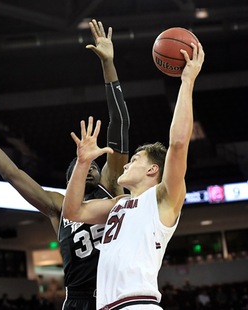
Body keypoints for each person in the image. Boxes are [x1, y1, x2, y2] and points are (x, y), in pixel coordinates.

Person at [0, 19, 129, 310]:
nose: (92, 167)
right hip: (78, 300)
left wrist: (109, 65)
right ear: (71, 179)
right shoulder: (59, 205)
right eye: (83, 167)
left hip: (116, 294)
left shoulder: (111, 185)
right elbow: (12, 174)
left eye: (94, 165)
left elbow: (120, 125)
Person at [63, 42, 205, 309]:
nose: (126, 165)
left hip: (138, 304)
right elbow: (72, 211)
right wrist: (83, 163)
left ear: (153, 170)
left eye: (135, 160)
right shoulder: (118, 205)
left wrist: (187, 81)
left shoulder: (163, 198)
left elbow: (178, 144)